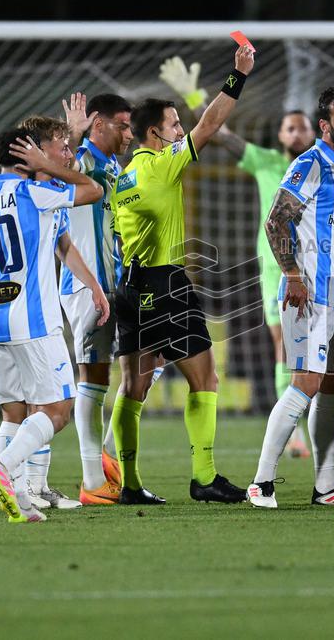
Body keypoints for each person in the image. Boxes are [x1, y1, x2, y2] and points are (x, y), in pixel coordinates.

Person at [108, 44, 255, 504]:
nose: (180, 130)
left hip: (130, 287)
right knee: (205, 379)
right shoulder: (162, 164)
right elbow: (210, 124)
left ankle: (129, 484)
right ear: (155, 132)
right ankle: (204, 477)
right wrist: (238, 76)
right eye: (174, 124)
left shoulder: (123, 176)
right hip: (166, 282)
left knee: (132, 386)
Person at [0, 127, 107, 523]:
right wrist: (48, 164)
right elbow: (93, 190)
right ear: (27, 156)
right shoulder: (33, 194)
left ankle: (20, 499)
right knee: (58, 409)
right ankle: (6, 466)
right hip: (33, 322)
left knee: (13, 413)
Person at [159, 56, 316, 458]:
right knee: (285, 347)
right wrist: (195, 96)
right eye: (290, 126)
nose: (297, 132)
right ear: (281, 134)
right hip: (275, 268)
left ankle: (314, 426)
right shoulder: (266, 162)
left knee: (321, 350)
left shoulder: (324, 166)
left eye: (303, 126)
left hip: (322, 264)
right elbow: (220, 132)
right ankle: (295, 432)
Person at [246, 86, 334, 509]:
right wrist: (294, 276)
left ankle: (326, 485)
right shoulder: (310, 163)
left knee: (332, 388)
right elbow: (275, 221)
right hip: (307, 297)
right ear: (324, 125)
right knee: (306, 383)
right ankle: (262, 482)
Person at [54, 92, 157, 506]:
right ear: (98, 125)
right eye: (123, 125)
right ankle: (93, 479)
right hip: (85, 285)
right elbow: (64, 169)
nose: (129, 134)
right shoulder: (86, 159)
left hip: (119, 283)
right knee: (93, 375)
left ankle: (110, 460)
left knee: (151, 361)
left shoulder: (115, 166)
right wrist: (74, 135)